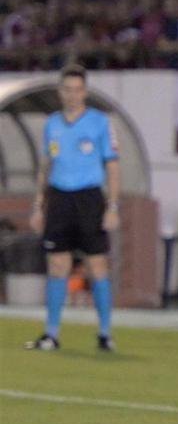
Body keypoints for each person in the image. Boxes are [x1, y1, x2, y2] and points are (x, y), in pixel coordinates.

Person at [25, 64, 121, 351]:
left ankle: (105, 334)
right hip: (59, 198)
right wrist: (38, 205)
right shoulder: (52, 124)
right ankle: (51, 334)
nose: (72, 95)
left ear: (85, 92)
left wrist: (112, 206)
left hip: (90, 198)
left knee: (97, 264)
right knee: (57, 264)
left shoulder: (100, 122)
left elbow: (113, 167)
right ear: (60, 92)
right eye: (67, 89)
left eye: (78, 90)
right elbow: (45, 166)